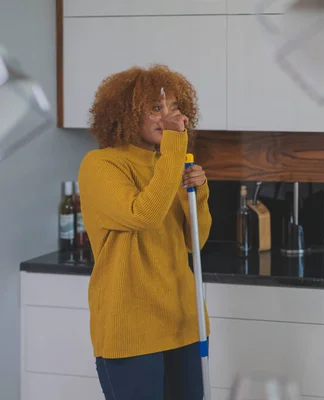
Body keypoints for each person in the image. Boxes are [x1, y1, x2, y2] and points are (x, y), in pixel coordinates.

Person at [78, 64, 213, 399]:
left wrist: (200, 192)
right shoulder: (101, 165)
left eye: (173, 108)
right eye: (156, 108)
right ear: (126, 114)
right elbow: (144, 215)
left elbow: (194, 241)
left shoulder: (170, 165)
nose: (167, 117)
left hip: (183, 323)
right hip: (131, 331)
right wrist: (173, 151)